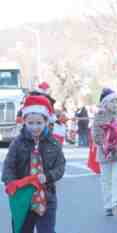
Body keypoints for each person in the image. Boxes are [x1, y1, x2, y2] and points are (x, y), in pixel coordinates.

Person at [1, 95, 66, 233]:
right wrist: (10, 183)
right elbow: (8, 166)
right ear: (24, 121)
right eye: (30, 123)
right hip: (24, 197)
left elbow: (60, 166)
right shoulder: (17, 143)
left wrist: (47, 176)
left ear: (46, 121)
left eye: (39, 123)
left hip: (47, 198)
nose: (34, 127)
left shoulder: (53, 143)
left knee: (47, 230)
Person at [92, 88, 117, 217]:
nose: (115, 104)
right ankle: (108, 205)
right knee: (106, 179)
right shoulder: (99, 116)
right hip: (105, 152)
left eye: (116, 101)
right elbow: (96, 136)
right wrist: (107, 142)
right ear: (105, 103)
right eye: (112, 101)